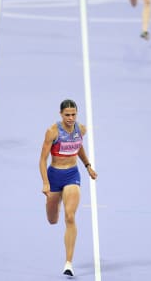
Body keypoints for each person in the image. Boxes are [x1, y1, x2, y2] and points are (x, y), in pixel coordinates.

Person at [39, 99, 98, 277]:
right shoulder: (53, 132)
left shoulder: (82, 129)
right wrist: (45, 182)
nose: (71, 118)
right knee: (53, 219)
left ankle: (68, 263)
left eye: (73, 114)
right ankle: (54, 202)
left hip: (72, 175)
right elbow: (42, 160)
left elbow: (78, 147)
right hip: (54, 176)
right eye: (67, 115)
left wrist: (87, 166)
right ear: (61, 114)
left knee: (70, 216)